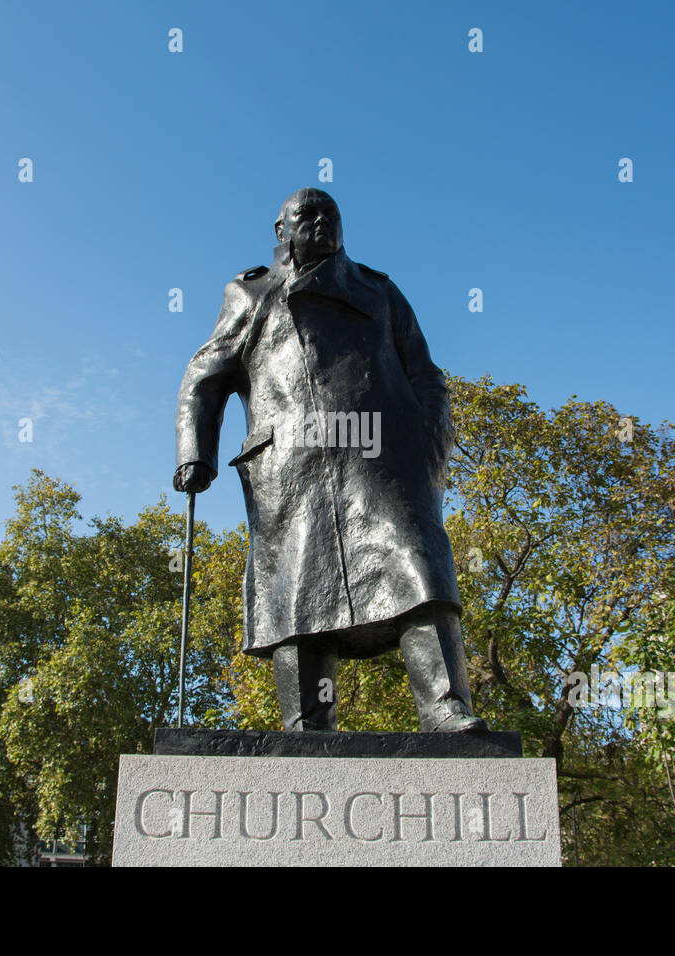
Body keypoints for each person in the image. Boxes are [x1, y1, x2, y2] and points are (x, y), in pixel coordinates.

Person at [174, 188, 486, 733]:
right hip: (292, 468)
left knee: (419, 567)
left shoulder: (378, 290)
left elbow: (425, 373)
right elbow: (206, 374)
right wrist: (195, 452)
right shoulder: (249, 294)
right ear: (281, 230)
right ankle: (306, 723)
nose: (320, 223)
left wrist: (428, 442)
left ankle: (445, 707)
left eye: (331, 215)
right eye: (306, 215)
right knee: (296, 591)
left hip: (382, 457)